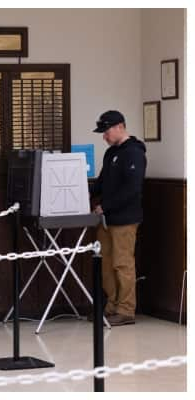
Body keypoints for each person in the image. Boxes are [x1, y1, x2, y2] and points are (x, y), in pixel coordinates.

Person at [90, 110, 146, 326]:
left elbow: (132, 189)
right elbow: (103, 182)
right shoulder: (111, 153)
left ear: (120, 127)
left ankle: (126, 309)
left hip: (125, 219)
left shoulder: (134, 152)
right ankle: (111, 306)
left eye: (106, 131)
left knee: (123, 264)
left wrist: (106, 206)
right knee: (106, 263)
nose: (104, 136)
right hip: (106, 218)